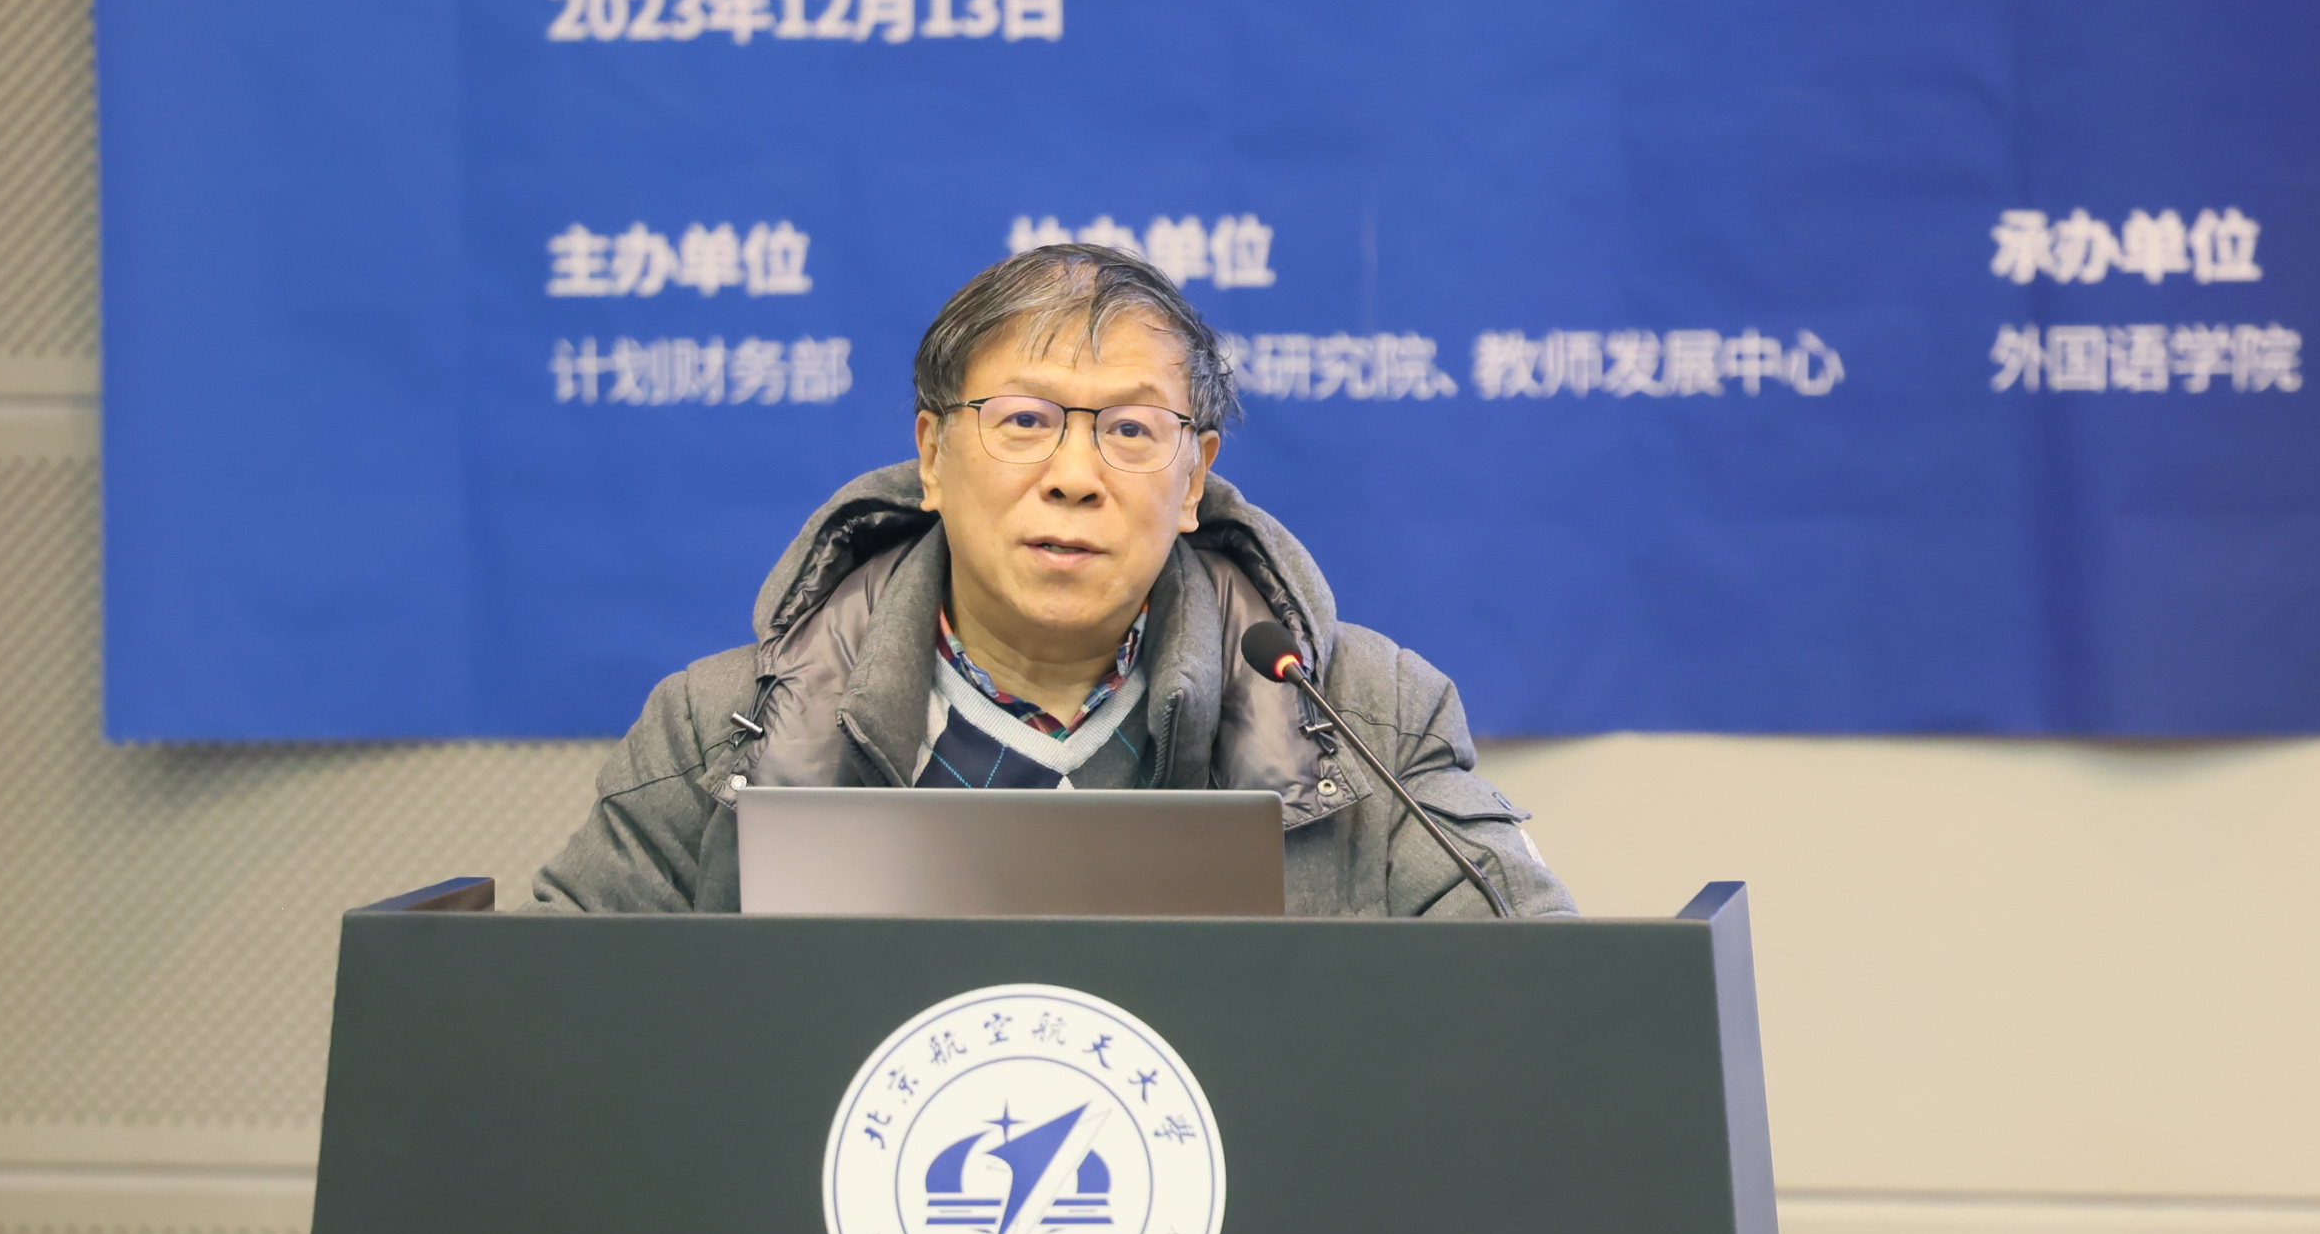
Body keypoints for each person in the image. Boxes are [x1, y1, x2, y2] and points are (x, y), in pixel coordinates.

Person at [528, 243, 1574, 917]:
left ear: (1193, 480)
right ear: (932, 456)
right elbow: (550, 1035)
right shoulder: (722, 731)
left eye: (1130, 431)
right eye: (1025, 421)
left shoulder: (1368, 720)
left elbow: (1540, 1007)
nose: (1074, 476)